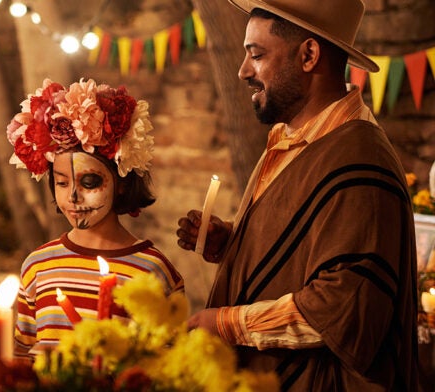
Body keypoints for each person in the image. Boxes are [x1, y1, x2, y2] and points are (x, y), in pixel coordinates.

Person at [176, 0, 417, 389]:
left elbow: (344, 305)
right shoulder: (294, 139)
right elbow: (305, 241)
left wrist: (226, 324)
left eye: (256, 55)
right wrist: (236, 240)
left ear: (308, 55)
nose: (243, 71)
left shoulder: (360, 159)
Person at [7, 79, 185, 360]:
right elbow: (23, 354)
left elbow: (170, 365)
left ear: (122, 182)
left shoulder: (153, 271)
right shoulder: (38, 265)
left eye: (89, 182)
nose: (73, 197)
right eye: (62, 183)